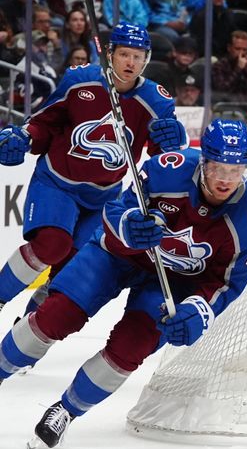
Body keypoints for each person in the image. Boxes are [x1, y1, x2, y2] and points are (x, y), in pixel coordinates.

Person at [0, 118, 247, 449]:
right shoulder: (166, 169)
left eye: (236, 170)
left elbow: (226, 284)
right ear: (204, 161)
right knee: (56, 315)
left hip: (172, 282)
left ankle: (65, 412)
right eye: (218, 168)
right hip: (116, 256)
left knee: (131, 348)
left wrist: (199, 310)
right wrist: (129, 226)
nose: (225, 179)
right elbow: (116, 208)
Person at [0, 22, 187, 315]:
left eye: (138, 56)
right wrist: (25, 137)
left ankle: (24, 330)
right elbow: (44, 123)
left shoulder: (157, 100)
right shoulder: (80, 80)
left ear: (147, 59)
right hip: (57, 181)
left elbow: (166, 157)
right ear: (110, 54)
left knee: (70, 268)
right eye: (125, 54)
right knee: (52, 244)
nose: (131, 62)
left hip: (105, 195)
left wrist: (177, 139)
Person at [211, 30, 247, 103]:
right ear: (229, 48)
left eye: (245, 50)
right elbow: (222, 91)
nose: (241, 53)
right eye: (237, 49)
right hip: (228, 107)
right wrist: (238, 69)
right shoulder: (219, 66)